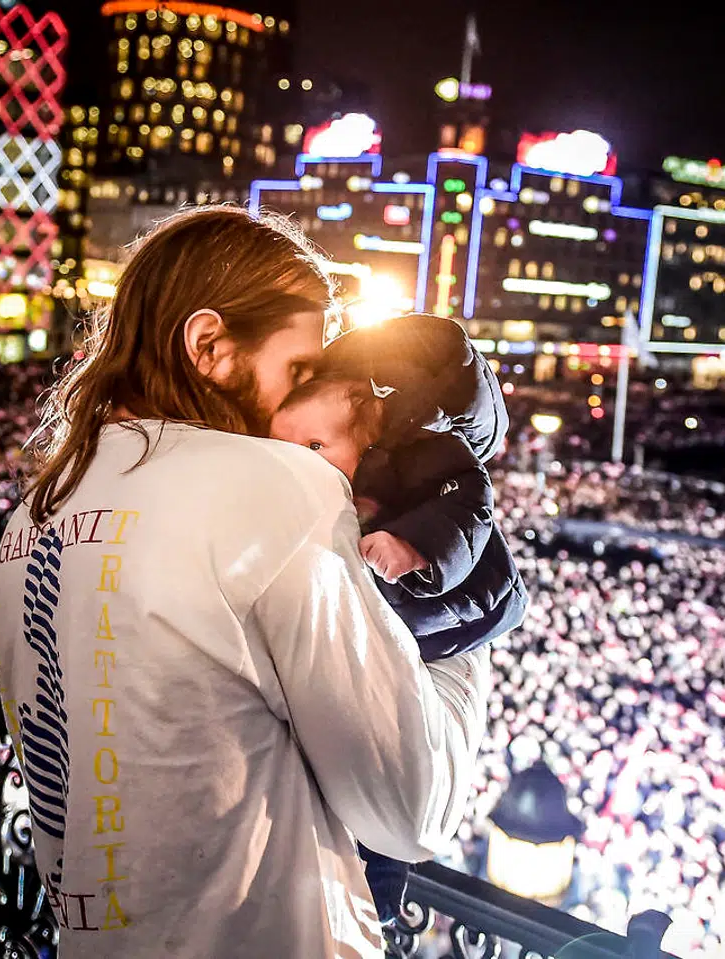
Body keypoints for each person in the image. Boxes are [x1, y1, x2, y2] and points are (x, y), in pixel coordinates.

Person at [0, 205, 491, 959]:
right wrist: (464, 621)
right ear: (209, 344)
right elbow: (415, 807)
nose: (300, 406)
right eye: (299, 371)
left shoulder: (37, 513)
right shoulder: (273, 486)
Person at [270, 313, 528, 924]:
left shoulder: (430, 451)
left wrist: (412, 548)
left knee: (386, 746)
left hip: (437, 616)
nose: (302, 463)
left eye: (313, 447)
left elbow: (467, 508)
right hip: (397, 623)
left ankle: (381, 890)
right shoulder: (358, 457)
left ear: (369, 422)